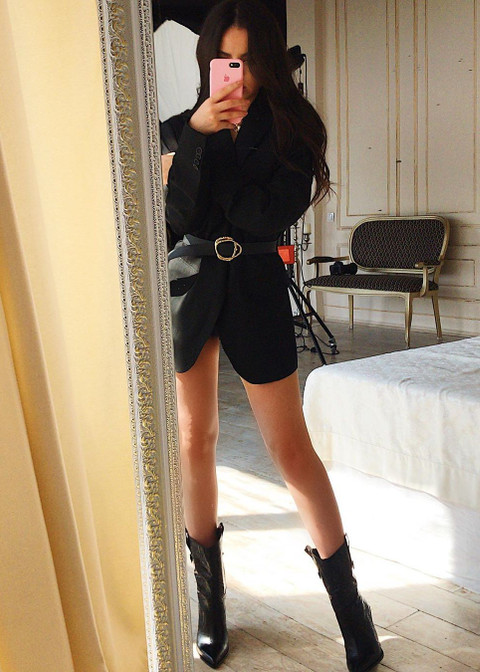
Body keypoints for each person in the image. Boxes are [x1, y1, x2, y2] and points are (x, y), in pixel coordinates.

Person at [165, 2, 384, 670]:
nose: (236, 75)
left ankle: (352, 611)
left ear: (267, 60)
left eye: (247, 61)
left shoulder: (296, 125)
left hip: (256, 284)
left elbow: (264, 215)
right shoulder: (180, 125)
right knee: (193, 439)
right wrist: (197, 136)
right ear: (208, 60)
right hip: (190, 285)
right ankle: (211, 606)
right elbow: (179, 217)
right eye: (223, 61)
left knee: (289, 446)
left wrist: (212, 150)